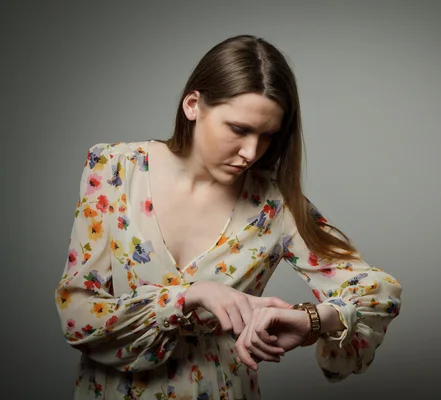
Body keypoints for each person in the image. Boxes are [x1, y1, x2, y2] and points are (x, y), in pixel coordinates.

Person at [55, 34, 402, 400]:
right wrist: (188, 297)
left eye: (267, 136)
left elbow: (376, 294)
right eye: (239, 129)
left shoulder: (274, 204)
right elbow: (78, 316)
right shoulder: (114, 169)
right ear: (193, 105)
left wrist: (313, 321)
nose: (251, 151)